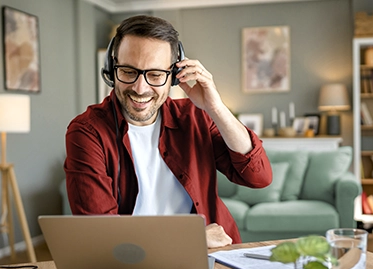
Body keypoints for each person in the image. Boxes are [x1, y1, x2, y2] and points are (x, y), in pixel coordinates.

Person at [64, 15, 272, 248]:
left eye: (155, 75)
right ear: (112, 69)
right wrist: (192, 239)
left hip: (213, 254)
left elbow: (258, 177)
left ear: (173, 76)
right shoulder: (87, 132)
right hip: (134, 261)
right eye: (128, 72)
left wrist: (215, 107)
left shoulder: (195, 117)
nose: (140, 88)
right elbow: (99, 233)